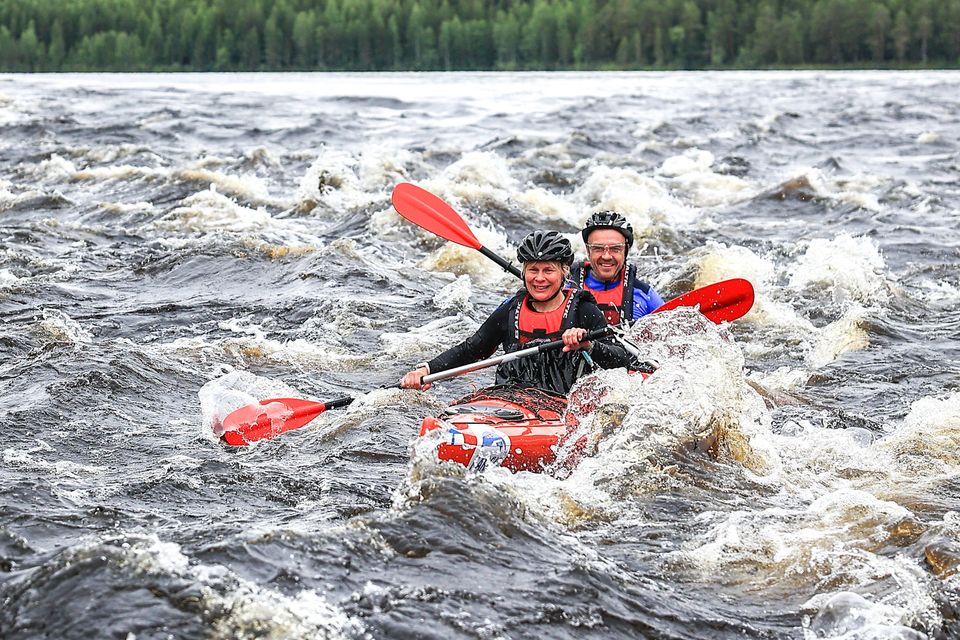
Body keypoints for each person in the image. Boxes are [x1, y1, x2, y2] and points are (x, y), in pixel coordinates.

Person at [400, 230, 629, 396]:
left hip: (563, 405)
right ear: (524, 272)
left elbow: (622, 359)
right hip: (510, 404)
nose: (539, 278)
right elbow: (471, 350)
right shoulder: (510, 310)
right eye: (533, 270)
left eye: (548, 270)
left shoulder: (583, 310)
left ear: (563, 272)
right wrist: (425, 370)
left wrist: (588, 345)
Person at [571, 211, 664, 327]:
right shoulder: (565, 290)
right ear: (587, 250)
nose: (606, 256)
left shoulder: (645, 295)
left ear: (626, 250)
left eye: (615, 249)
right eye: (598, 248)